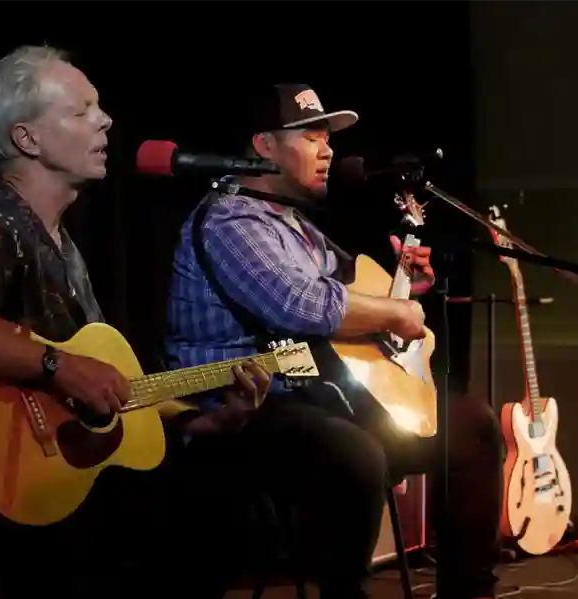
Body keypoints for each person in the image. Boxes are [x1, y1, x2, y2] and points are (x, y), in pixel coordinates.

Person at [0, 45, 272, 599]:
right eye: (81, 111)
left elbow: (119, 399)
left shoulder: (65, 246)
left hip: (73, 480)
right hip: (14, 501)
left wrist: (207, 421)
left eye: (99, 107)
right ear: (26, 139)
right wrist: (58, 365)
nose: (104, 120)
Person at [163, 83, 503, 599]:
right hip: (242, 407)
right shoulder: (230, 219)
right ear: (264, 145)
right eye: (312, 137)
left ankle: (470, 589)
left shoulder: (297, 226)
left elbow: (348, 294)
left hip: (318, 395)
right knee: (353, 452)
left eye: (329, 139)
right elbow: (300, 307)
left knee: (472, 425)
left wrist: (406, 286)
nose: (329, 151)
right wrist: (397, 310)